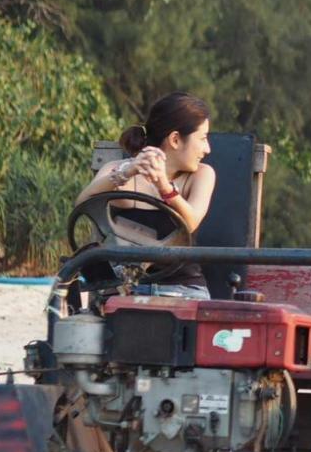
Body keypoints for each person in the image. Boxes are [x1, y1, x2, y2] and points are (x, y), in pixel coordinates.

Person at [76, 91, 216, 298]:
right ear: (175, 140)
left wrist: (164, 186)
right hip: (123, 290)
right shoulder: (117, 170)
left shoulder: (202, 175)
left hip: (182, 289)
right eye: (203, 139)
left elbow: (191, 222)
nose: (207, 149)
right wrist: (126, 172)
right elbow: (81, 203)